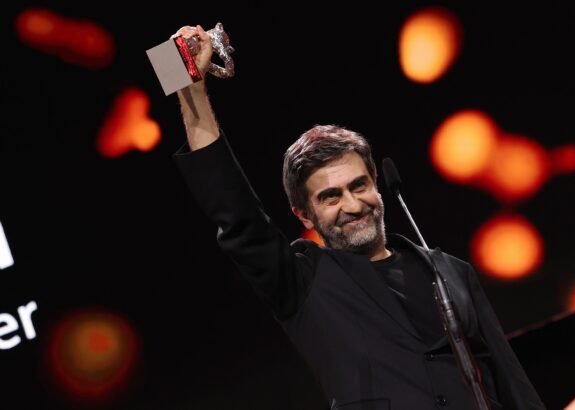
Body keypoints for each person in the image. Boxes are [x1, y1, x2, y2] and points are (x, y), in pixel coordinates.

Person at [171, 25, 546, 410]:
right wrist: (181, 77)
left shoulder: (452, 271)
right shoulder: (303, 282)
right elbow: (236, 215)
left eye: (359, 186)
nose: (352, 205)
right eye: (330, 196)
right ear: (304, 215)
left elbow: (514, 385)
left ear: (376, 185)